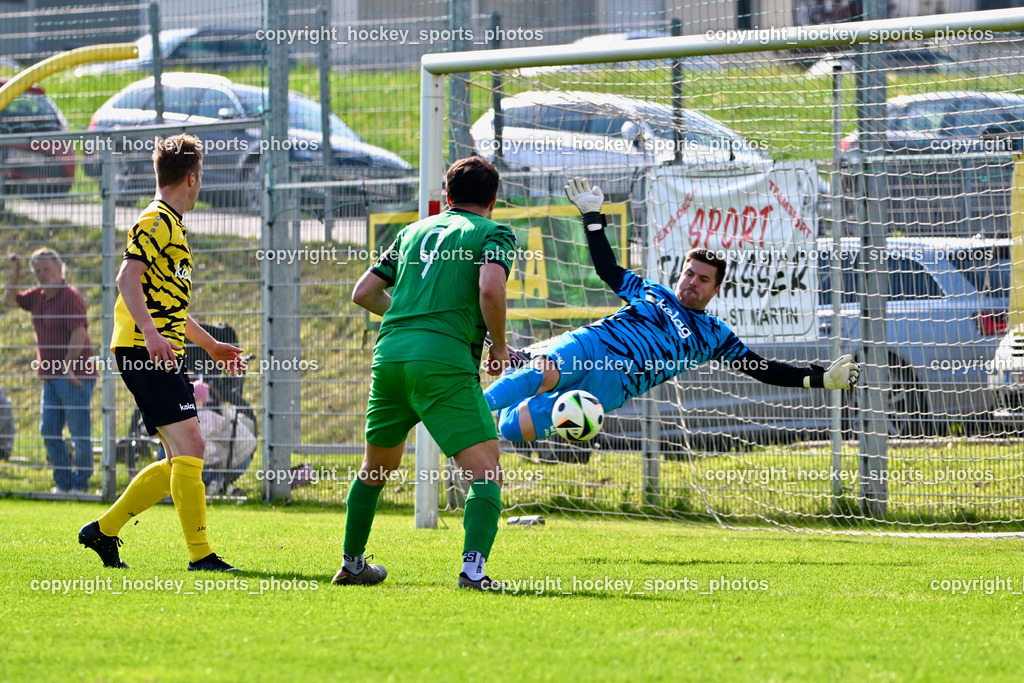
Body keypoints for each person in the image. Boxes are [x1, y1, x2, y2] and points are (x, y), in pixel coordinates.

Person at [485, 177, 861, 443]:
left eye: (702, 280)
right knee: (545, 371)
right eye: (688, 273)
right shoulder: (651, 292)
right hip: (591, 347)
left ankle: (514, 383)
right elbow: (607, 269)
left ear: (715, 289)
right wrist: (592, 217)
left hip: (611, 388)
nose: (691, 282)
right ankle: (471, 408)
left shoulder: (714, 336)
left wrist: (818, 379)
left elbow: (760, 369)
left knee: (511, 430)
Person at [340, 156, 517, 590]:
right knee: (486, 472)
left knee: (375, 468)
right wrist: (498, 345)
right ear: (493, 201)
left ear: (448, 196)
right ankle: (473, 572)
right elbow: (490, 287)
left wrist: (406, 314)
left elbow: (363, 292)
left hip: (391, 356)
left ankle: (352, 564)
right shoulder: (494, 232)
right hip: (443, 361)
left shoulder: (412, 231)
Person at [78, 133, 245, 572]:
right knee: (192, 444)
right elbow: (125, 279)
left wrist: (210, 345)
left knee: (179, 456)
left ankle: (104, 531)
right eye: (201, 178)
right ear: (192, 178)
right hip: (142, 349)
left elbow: (168, 304)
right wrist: (151, 336)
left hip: (155, 348)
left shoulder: (171, 223)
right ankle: (201, 555)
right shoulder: (156, 221)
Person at [4, 248, 97, 493]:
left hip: (75, 375)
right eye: (37, 271)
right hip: (51, 376)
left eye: (45, 269)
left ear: (59, 269)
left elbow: (79, 333)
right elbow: (8, 301)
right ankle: (63, 483)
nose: (41, 274)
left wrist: (67, 366)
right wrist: (16, 272)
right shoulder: (37, 296)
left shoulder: (71, 296)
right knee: (49, 429)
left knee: (79, 432)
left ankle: (81, 485)